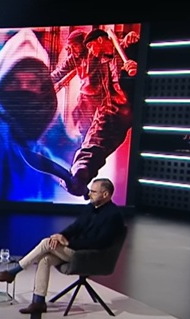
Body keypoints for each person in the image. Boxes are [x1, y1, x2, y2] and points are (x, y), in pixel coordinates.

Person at [0, 178, 125, 314]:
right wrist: (59, 236)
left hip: (87, 255)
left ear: (105, 194)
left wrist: (68, 243)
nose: (89, 194)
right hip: (75, 250)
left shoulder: (113, 215)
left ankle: (13, 272)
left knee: (46, 243)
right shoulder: (90, 208)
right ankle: (38, 302)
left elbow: (99, 242)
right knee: (45, 259)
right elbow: (75, 227)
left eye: (93, 192)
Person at [62, 29, 138, 198]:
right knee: (95, 140)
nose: (90, 50)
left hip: (135, 106)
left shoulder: (128, 48)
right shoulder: (100, 59)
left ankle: (80, 173)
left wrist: (138, 67)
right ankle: (80, 174)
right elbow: (66, 69)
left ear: (101, 40)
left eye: (91, 46)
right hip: (112, 108)